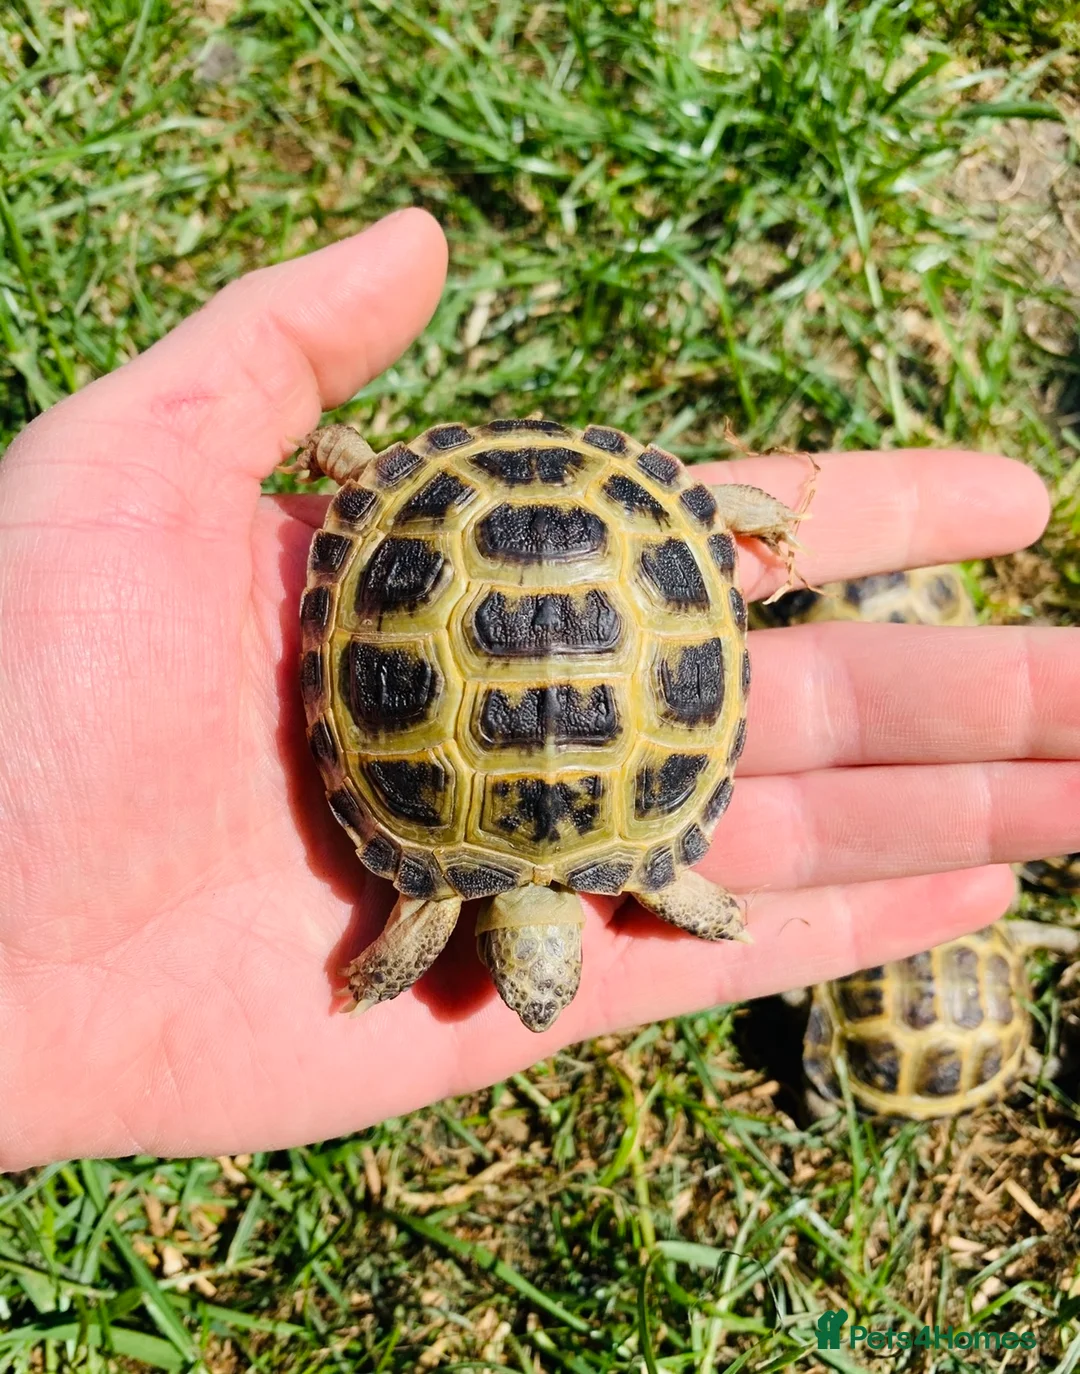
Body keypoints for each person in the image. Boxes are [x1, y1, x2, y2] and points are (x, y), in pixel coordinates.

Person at [0, 208, 1076, 1170]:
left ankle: (393, 467)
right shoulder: (493, 884)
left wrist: (718, 918)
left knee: (677, 516)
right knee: (680, 518)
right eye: (532, 989)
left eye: (525, 988)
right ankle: (407, 468)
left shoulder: (500, 882)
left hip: (483, 521)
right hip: (538, 540)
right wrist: (723, 921)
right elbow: (645, 899)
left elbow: (613, 902)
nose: (523, 1000)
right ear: (512, 939)